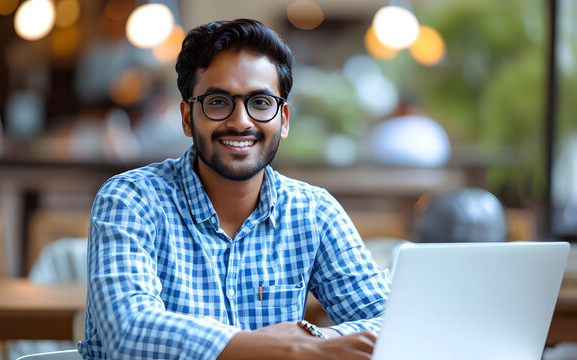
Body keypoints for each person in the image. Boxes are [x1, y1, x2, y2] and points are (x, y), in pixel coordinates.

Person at [78, 19, 390, 360]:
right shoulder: (130, 200)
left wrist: (309, 337)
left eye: (259, 102)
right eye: (217, 102)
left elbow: (392, 322)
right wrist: (281, 348)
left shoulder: (313, 212)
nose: (241, 121)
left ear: (283, 119)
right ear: (187, 117)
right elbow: (129, 333)